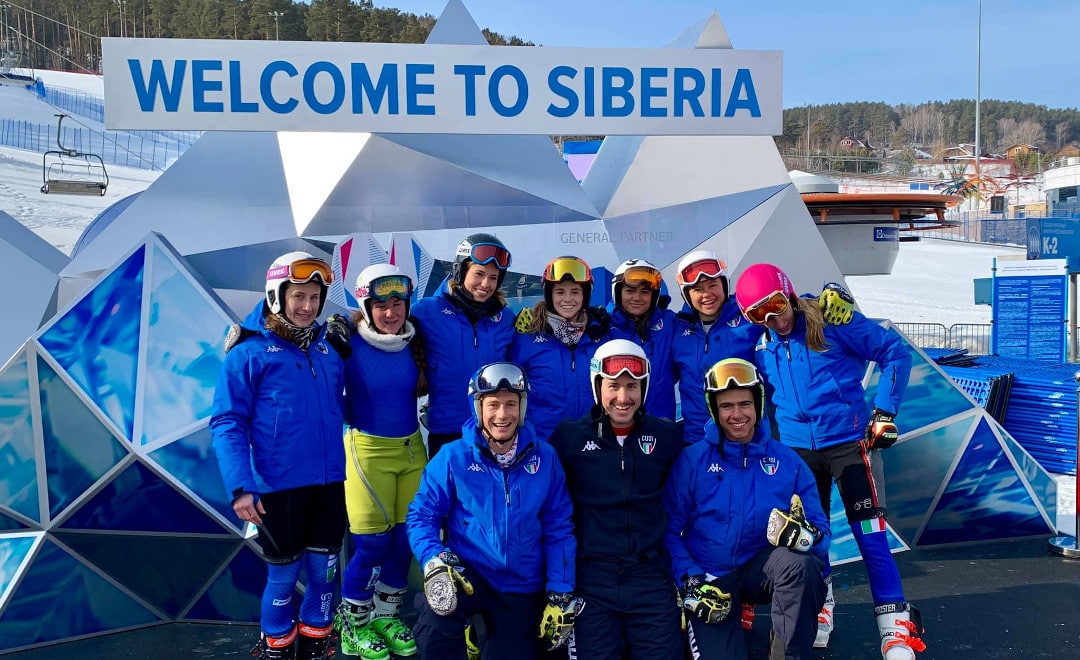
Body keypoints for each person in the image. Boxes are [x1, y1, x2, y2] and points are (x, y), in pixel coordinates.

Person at [735, 263, 925, 660]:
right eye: (757, 314)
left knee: (869, 532)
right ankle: (821, 607)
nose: (772, 318)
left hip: (848, 442)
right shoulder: (763, 342)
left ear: (787, 291)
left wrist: (885, 412)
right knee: (811, 538)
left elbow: (893, 353)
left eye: (774, 305)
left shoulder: (831, 321)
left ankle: (895, 628)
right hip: (799, 452)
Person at [211, 252, 350, 660]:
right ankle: (277, 647)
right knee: (285, 576)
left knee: (325, 576)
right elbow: (227, 421)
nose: (308, 307)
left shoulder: (328, 349)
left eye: (315, 298)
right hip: (277, 489)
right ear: (276, 296)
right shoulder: (248, 353)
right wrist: (240, 486)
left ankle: (316, 643)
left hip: (328, 484)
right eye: (299, 297)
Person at [406, 362, 579, 660]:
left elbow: (558, 528)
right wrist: (433, 559)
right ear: (478, 408)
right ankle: (465, 629)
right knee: (437, 616)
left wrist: (560, 591)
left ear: (522, 407)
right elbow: (422, 515)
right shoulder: (452, 457)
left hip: (520, 584)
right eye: (493, 405)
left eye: (511, 404)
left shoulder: (546, 460)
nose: (502, 415)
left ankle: (479, 633)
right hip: (467, 575)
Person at [664, 358, 829, 660]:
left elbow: (821, 530)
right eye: (727, 406)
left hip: (761, 568)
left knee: (802, 566)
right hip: (711, 577)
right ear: (714, 410)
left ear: (759, 406)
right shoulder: (692, 461)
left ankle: (787, 653)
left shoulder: (787, 461)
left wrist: (806, 536)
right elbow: (670, 531)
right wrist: (690, 579)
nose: (737, 415)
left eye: (745, 404)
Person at [548, 339, 684, 659]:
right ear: (597, 386)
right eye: (613, 386)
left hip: (650, 577)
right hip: (593, 581)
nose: (623, 398)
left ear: (644, 388)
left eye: (632, 386)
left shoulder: (666, 437)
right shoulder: (569, 438)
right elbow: (549, 512)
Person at [335, 264, 427, 659]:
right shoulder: (346, 342)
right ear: (364, 305)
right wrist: (245, 333)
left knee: (406, 541)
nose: (391, 313)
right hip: (366, 450)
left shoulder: (417, 340)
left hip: (412, 449)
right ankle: (353, 626)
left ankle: (386, 617)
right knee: (372, 543)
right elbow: (285, 330)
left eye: (398, 303)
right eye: (381, 305)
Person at [411, 233, 516, 456]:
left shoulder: (506, 319)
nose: (486, 284)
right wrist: (348, 325)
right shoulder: (427, 311)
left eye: (494, 277)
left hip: (494, 432)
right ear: (460, 271)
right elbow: (385, 325)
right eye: (479, 274)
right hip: (447, 432)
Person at [510, 256, 611, 443]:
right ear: (550, 295)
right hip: (543, 445)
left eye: (575, 292)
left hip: (593, 444)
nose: (567, 299)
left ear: (585, 296)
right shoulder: (527, 337)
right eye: (559, 292)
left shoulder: (601, 336)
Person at [672, 250, 763, 444]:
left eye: (713, 285)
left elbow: (785, 304)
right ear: (687, 294)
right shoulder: (677, 329)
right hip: (697, 439)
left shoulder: (749, 319)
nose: (707, 295)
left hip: (744, 435)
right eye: (697, 289)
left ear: (724, 284)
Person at [606, 259, 679, 421]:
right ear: (617, 292)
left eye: (645, 292)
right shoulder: (602, 327)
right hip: (617, 429)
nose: (637, 298)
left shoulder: (670, 324)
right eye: (630, 290)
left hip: (661, 429)